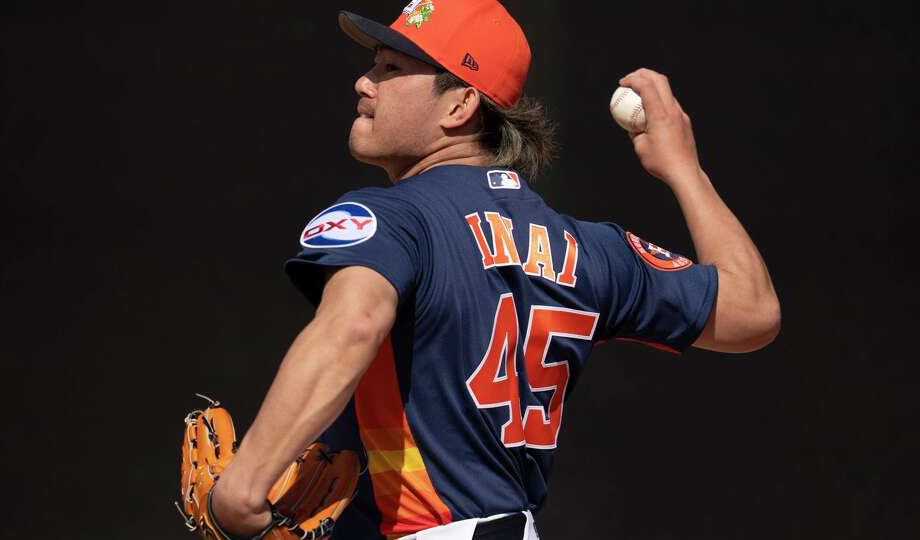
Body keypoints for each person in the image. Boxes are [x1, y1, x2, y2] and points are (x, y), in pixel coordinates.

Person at [209, 1, 781, 538]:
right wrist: (685, 170)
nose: (365, 82)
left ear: (459, 106)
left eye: (391, 68)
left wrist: (244, 487)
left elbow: (354, 323)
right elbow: (751, 312)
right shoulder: (589, 248)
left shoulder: (395, 217)